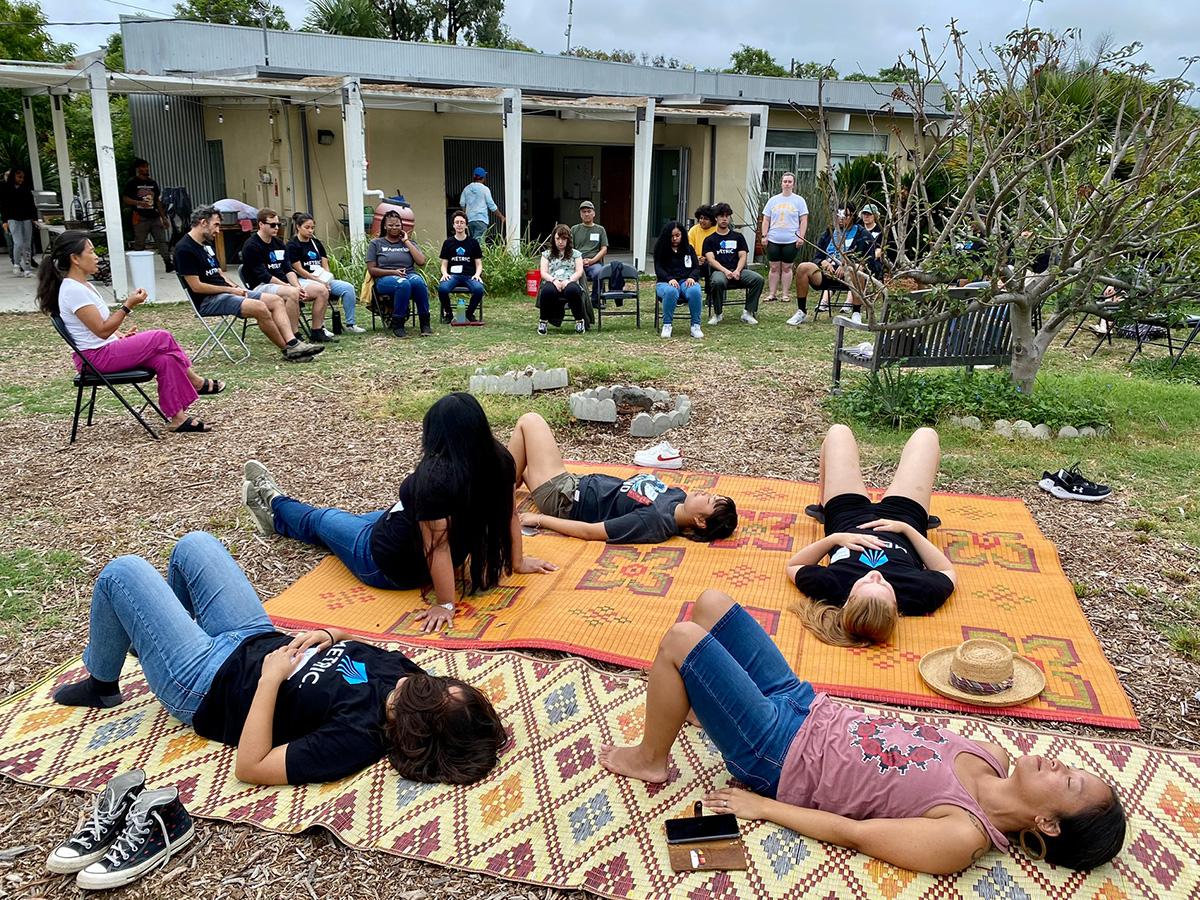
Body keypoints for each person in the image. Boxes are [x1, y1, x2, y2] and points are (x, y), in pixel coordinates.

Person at [600, 588, 1126, 875]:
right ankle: (699, 703)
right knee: (712, 604)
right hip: (805, 704)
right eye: (1073, 768)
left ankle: (650, 757)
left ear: (1048, 825)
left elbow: (854, 833)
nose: (1061, 765)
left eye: (1071, 782)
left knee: (682, 640)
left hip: (777, 754)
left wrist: (765, 808)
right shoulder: (989, 754)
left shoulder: (960, 835)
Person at [51, 531, 508, 786]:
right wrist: (330, 633)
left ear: (416, 731)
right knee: (195, 545)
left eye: (427, 695)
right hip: (254, 635)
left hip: (205, 683)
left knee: (122, 572)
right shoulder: (412, 680)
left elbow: (251, 767)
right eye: (440, 684)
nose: (419, 681)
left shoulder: (352, 740)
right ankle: (154, 635)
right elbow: (354, 641)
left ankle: (103, 682)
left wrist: (271, 680)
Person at [242, 393, 558, 634]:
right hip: (397, 524)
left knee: (322, 520)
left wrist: (447, 604)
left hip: (382, 560)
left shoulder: (435, 477)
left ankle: (274, 503)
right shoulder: (497, 458)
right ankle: (277, 514)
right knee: (349, 520)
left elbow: (438, 547)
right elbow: (509, 515)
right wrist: (516, 561)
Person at [785, 424, 956, 647]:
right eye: (884, 586)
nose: (875, 575)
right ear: (896, 608)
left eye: (865, 582)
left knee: (838, 432)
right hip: (903, 518)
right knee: (927, 436)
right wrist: (908, 530)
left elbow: (793, 565)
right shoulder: (918, 594)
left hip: (846, 517)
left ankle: (822, 506)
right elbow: (946, 570)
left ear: (846, 602)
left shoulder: (832, 586)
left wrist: (835, 539)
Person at [36, 230, 221, 434]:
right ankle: (195, 381)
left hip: (105, 349)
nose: (97, 256)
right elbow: (101, 331)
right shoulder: (73, 290)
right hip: (95, 359)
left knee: (166, 359)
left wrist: (121, 336)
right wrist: (128, 305)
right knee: (162, 337)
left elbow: (100, 328)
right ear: (75, 258)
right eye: (91, 252)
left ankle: (178, 418)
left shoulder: (84, 285)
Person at [509, 412, 737, 543]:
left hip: (563, 497)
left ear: (699, 520)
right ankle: (501, 485)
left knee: (529, 421)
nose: (704, 493)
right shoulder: (677, 497)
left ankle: (496, 504)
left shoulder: (653, 520)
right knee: (510, 465)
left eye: (708, 500)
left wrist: (537, 520)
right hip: (574, 482)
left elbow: (591, 532)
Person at [174, 205, 322, 361]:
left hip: (226, 292)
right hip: (207, 300)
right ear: (203, 222)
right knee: (260, 307)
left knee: (276, 301)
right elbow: (197, 287)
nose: (218, 230)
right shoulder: (184, 249)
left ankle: (293, 342)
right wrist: (231, 291)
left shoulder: (206, 245)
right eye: (216, 225)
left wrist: (235, 287)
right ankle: (288, 350)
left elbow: (219, 273)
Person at [240, 208, 335, 342]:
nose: (276, 228)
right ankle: (293, 335)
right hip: (262, 285)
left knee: (322, 290)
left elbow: (288, 269)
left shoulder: (278, 243)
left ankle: (317, 331)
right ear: (261, 225)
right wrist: (289, 287)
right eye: (272, 225)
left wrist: (297, 286)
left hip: (284, 283)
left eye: (279, 224)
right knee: (292, 293)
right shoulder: (251, 245)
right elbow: (263, 275)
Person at [287, 211, 366, 334]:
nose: (310, 231)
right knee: (321, 289)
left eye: (312, 228)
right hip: (303, 280)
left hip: (321, 279)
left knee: (348, 288)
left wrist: (326, 279)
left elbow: (325, 264)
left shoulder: (316, 243)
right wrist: (318, 281)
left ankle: (351, 324)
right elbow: (299, 269)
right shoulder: (292, 245)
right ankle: (320, 326)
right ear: (298, 227)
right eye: (307, 227)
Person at [794, 204, 871, 325]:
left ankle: (856, 313)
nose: (841, 218)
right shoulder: (829, 232)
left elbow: (866, 259)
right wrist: (823, 262)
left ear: (853, 216)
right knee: (803, 267)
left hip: (849, 276)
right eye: (838, 215)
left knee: (857, 268)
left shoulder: (862, 234)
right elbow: (817, 257)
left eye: (845, 215)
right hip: (827, 273)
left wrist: (847, 265)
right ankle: (801, 311)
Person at [368, 209, 431, 338]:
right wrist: (393, 272)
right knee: (403, 283)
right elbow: (372, 270)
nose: (394, 228)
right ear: (385, 226)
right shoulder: (376, 243)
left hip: (408, 274)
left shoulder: (409, 243)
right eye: (390, 225)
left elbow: (421, 261)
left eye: (397, 225)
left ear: (402, 226)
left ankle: (425, 323)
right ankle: (398, 324)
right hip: (384, 278)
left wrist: (406, 241)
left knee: (418, 282)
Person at [702, 202, 764, 327]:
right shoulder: (709, 240)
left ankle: (748, 312)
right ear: (716, 218)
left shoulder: (738, 237)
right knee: (717, 282)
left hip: (738, 271)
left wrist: (737, 270)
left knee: (758, 279)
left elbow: (743, 256)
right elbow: (711, 260)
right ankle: (718, 313)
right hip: (720, 272)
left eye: (727, 216)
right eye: (721, 216)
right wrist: (726, 271)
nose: (724, 219)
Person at [761, 172, 809, 306]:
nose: (787, 184)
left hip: (791, 240)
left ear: (793, 184)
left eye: (789, 181)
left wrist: (801, 236)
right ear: (781, 183)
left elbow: (803, 220)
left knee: (787, 267)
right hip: (773, 239)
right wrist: (764, 235)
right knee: (774, 267)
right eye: (785, 181)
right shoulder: (773, 200)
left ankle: (785, 294)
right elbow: (766, 219)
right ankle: (772, 293)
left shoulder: (799, 201)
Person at [653, 221, 703, 339]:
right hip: (665, 282)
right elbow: (658, 269)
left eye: (677, 235)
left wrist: (692, 277)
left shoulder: (689, 249)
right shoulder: (660, 249)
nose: (675, 238)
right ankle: (667, 325)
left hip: (685, 280)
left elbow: (696, 268)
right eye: (672, 236)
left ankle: (695, 325)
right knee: (671, 291)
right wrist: (669, 279)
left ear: (682, 235)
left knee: (695, 290)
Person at [121, 159, 173, 271]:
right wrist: (138, 203)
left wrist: (163, 217)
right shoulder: (132, 183)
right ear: (138, 169)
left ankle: (168, 262)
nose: (146, 169)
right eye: (143, 167)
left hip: (154, 216)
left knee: (161, 240)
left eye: (147, 167)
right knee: (140, 242)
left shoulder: (152, 183)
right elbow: (125, 198)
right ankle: (139, 265)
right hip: (140, 216)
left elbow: (157, 201)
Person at [571, 200, 628, 301]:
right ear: (580, 214)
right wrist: (579, 261)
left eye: (589, 211)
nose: (586, 214)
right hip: (577, 262)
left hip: (594, 262)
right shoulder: (574, 229)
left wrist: (592, 260)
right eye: (583, 212)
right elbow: (570, 248)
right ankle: (577, 300)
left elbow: (604, 249)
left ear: (594, 213)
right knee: (571, 274)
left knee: (598, 273)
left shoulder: (600, 230)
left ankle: (595, 299)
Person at [437, 210, 485, 324]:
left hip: (469, 276)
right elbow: (444, 264)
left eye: (462, 222)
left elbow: (478, 264)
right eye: (457, 222)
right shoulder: (448, 242)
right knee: (442, 289)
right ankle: (448, 314)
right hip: (453, 276)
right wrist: (444, 274)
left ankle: (469, 314)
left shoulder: (473, 243)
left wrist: (477, 275)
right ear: (453, 225)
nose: (459, 224)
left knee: (479, 289)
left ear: (466, 225)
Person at [536, 224, 586, 335]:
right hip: (552, 280)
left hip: (570, 281)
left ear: (568, 239)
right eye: (558, 238)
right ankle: (543, 321)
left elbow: (579, 271)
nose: (560, 242)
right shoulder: (546, 254)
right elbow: (543, 272)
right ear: (553, 239)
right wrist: (554, 281)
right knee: (547, 291)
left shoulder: (576, 254)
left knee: (572, 290)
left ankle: (579, 321)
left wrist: (568, 280)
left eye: (564, 239)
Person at [2, 168, 39, 277]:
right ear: (13, 176)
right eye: (19, 177)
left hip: (26, 218)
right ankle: (17, 264)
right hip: (13, 218)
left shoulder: (26, 189)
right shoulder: (7, 189)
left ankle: (27, 269)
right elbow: (4, 206)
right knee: (18, 242)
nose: (21, 180)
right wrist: (5, 221)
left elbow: (31, 204)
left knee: (27, 244)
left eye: (23, 177)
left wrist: (34, 218)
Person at [459, 166, 505, 241]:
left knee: (472, 241)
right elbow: (491, 205)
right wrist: (501, 216)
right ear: (483, 177)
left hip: (470, 220)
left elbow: (462, 203)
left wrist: (466, 215)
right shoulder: (485, 189)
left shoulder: (466, 189)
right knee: (478, 244)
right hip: (481, 220)